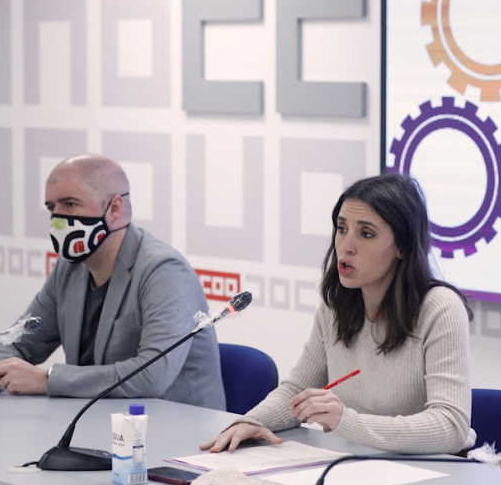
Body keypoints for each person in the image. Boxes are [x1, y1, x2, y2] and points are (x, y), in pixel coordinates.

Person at [200, 173, 475, 455]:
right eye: (341, 229)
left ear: (402, 247)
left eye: (366, 234)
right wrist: (251, 421)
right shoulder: (336, 306)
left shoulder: (440, 307)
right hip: (357, 463)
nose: (346, 246)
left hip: (431, 469)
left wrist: (346, 421)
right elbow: (297, 391)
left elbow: (451, 425)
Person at [0, 155, 226, 409]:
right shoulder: (69, 268)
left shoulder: (164, 270)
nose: (57, 220)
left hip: (177, 428)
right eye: (52, 208)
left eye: (70, 205)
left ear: (115, 209)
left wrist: (47, 380)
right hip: (101, 420)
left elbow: (152, 375)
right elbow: (20, 340)